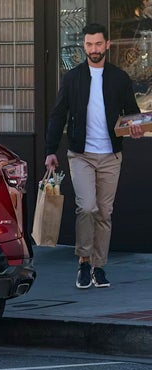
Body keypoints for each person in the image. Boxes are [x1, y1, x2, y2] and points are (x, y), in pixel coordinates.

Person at [45, 22, 145, 289]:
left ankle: (99, 268)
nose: (93, 49)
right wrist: (49, 151)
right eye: (89, 44)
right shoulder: (73, 78)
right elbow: (57, 115)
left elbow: (132, 114)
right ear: (84, 46)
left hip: (111, 155)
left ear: (107, 45)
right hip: (81, 155)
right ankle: (83, 261)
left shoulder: (119, 78)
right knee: (86, 207)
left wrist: (135, 128)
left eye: (98, 44)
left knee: (104, 212)